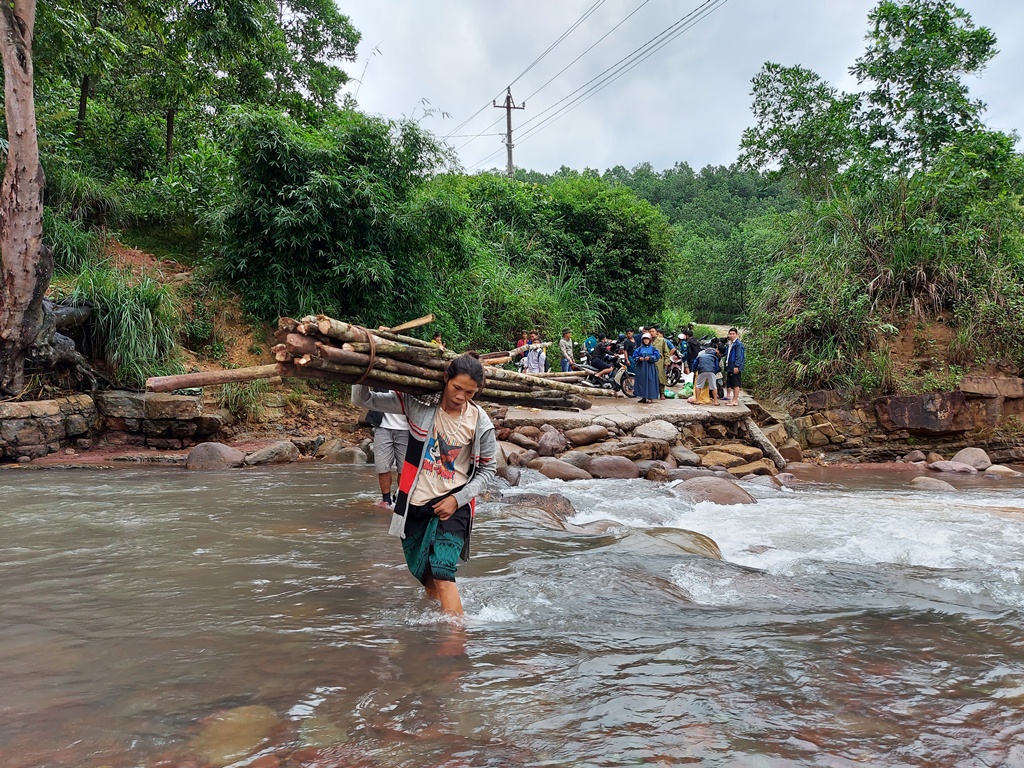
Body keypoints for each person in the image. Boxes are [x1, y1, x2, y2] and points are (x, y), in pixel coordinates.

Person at [352, 354, 497, 615]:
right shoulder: (418, 405)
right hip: (414, 504)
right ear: (445, 379)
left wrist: (458, 499)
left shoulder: (480, 422)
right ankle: (434, 633)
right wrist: (365, 368)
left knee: (443, 572)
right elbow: (362, 400)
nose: (461, 396)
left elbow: (488, 468)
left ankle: (456, 642)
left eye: (469, 392)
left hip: (454, 504)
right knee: (426, 576)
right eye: (457, 388)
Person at [373, 398, 409, 509]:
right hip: (382, 425)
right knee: (382, 466)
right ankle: (386, 500)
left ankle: (400, 497)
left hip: (407, 427)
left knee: (405, 468)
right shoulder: (381, 384)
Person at [631, 332, 661, 403]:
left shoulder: (653, 349)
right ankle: (643, 397)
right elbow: (634, 356)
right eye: (644, 339)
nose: (645, 341)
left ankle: (650, 397)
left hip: (650, 368)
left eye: (647, 339)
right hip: (641, 368)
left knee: (651, 381)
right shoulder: (639, 349)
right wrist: (639, 358)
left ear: (650, 340)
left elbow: (657, 356)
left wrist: (650, 358)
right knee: (642, 382)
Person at [723, 327, 745, 404]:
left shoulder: (738, 344)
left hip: (734, 365)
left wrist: (737, 366)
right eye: (730, 334)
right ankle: (731, 398)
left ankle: (735, 400)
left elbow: (739, 356)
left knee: (736, 383)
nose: (731, 335)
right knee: (730, 382)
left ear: (737, 335)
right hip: (729, 365)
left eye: (733, 334)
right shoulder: (730, 344)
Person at [649, 325, 670, 399]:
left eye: (653, 331)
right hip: (650, 362)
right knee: (651, 378)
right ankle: (651, 394)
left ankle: (662, 393)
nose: (651, 333)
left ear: (656, 332)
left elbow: (666, 352)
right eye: (650, 332)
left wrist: (666, 361)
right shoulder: (647, 341)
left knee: (661, 377)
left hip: (660, 362)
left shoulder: (662, 340)